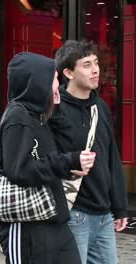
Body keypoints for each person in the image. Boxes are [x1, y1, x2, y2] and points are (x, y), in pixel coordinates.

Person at [0, 52, 95, 263]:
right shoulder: (18, 117)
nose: (58, 85)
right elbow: (19, 170)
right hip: (25, 225)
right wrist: (68, 162)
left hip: (54, 219)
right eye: (54, 79)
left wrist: (56, 109)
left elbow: (69, 144)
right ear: (37, 82)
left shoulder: (40, 115)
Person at [52, 40, 128, 264]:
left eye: (95, 63)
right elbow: (47, 159)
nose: (95, 69)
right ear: (68, 72)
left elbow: (111, 158)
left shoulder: (100, 107)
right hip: (74, 212)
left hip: (103, 214)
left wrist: (119, 206)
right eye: (86, 65)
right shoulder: (55, 110)